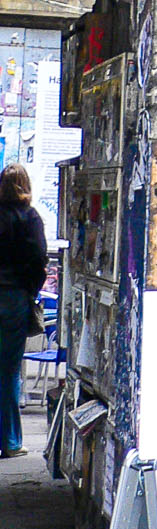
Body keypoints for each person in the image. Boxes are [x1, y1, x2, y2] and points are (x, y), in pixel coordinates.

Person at [0, 165, 47, 457]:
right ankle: (10, 441)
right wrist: (31, 289)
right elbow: (39, 258)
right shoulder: (30, 218)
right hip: (13, 298)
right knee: (8, 371)